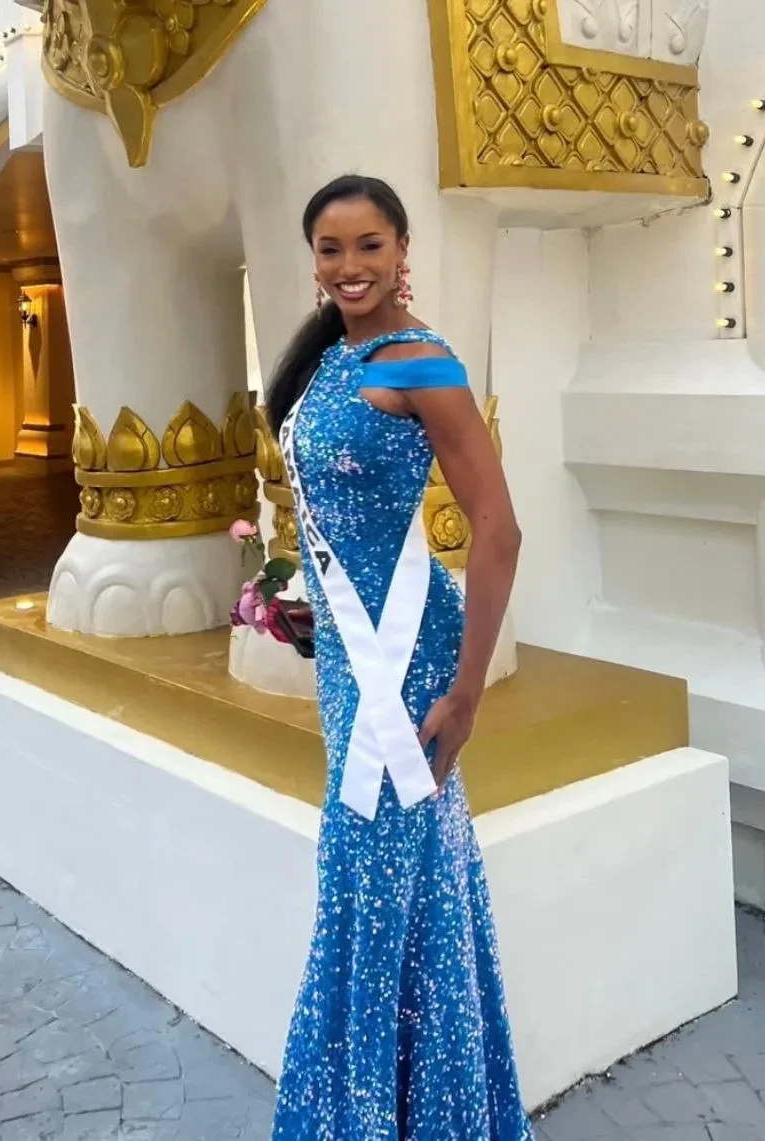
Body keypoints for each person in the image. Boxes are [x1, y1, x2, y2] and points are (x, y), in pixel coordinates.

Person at [267, 174, 531, 1141]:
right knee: (396, 884)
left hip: (406, 661)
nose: (350, 266)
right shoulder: (324, 357)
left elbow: (498, 530)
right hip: (349, 651)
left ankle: (382, 1118)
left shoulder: (422, 362)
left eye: (369, 245)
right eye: (331, 248)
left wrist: (466, 694)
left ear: (402, 249)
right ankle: (428, 1113)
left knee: (374, 883)